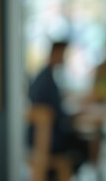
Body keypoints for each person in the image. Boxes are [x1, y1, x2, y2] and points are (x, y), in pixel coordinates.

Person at [27, 41, 89, 178]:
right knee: (84, 144)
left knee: (83, 139)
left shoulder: (46, 76)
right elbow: (54, 114)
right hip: (47, 136)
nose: (64, 58)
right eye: (62, 54)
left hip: (44, 133)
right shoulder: (46, 80)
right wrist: (73, 116)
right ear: (55, 53)